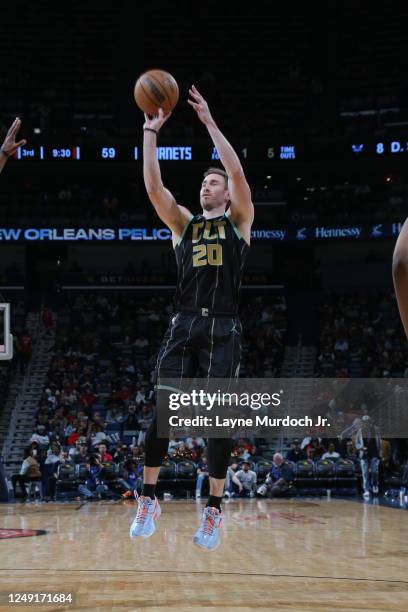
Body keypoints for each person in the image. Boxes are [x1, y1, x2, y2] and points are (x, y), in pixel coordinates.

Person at [130, 85, 254, 551]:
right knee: (164, 412)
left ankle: (214, 511)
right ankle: (149, 497)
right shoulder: (183, 223)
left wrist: (208, 123)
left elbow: (238, 170)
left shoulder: (239, 220)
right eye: (204, 181)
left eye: (213, 182)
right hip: (185, 323)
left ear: (225, 194)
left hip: (224, 325)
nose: (207, 184)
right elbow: (152, 189)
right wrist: (149, 134)